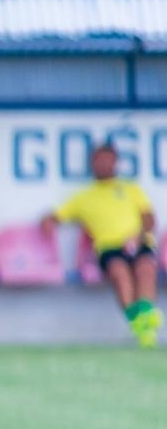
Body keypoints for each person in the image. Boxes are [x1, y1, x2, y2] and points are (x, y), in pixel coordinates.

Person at [42, 143, 160, 347]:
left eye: (108, 159)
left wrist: (138, 237)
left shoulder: (131, 189)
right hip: (109, 248)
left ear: (116, 162)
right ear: (92, 163)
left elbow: (149, 219)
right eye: (99, 160)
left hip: (138, 241)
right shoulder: (84, 197)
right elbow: (53, 218)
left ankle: (145, 315)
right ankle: (139, 322)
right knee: (119, 272)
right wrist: (47, 225)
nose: (104, 164)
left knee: (146, 267)